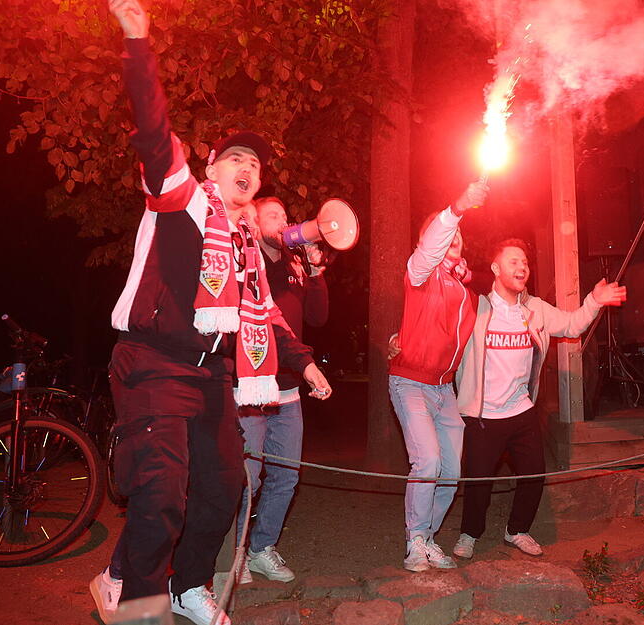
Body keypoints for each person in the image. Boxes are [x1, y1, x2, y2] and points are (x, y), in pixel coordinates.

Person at [90, 3, 330, 625]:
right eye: (235, 160)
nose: (247, 170)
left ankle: (184, 586)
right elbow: (151, 131)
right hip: (154, 363)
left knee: (225, 487)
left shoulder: (249, 246)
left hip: (214, 376)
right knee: (160, 495)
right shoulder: (180, 202)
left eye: (256, 164)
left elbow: (269, 315)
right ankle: (138, 606)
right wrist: (139, 44)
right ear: (210, 168)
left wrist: (302, 364)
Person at [451, 239, 626, 559]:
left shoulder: (536, 310)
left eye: (525, 263)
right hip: (482, 415)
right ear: (495, 269)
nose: (522, 268)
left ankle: (517, 530)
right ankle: (469, 534)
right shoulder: (475, 308)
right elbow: (445, 334)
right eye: (513, 262)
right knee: (478, 482)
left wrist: (594, 300)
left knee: (534, 474)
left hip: (521, 411)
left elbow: (572, 324)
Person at [387, 181, 488, 572]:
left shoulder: (467, 291)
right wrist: (458, 207)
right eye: (447, 231)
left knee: (451, 472)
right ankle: (414, 541)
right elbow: (432, 246)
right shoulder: (420, 272)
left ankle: (428, 538)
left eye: (459, 233)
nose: (454, 236)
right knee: (427, 462)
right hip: (410, 382)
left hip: (444, 391)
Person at [235, 197, 331, 584]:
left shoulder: (295, 266)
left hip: (288, 389)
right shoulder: (248, 260)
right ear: (254, 225)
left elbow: (318, 317)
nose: (284, 222)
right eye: (273, 216)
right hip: (253, 389)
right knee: (248, 476)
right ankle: (235, 552)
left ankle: (261, 548)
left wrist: (315, 271)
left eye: (285, 218)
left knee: (286, 475)